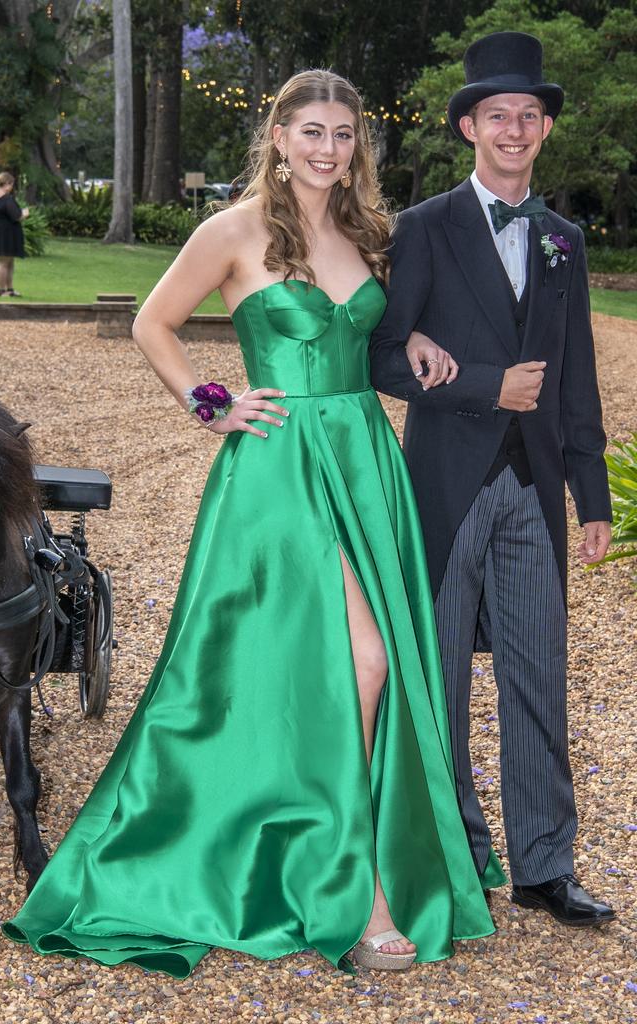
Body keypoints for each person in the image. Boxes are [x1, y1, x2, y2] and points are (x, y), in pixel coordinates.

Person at [3, 69, 497, 978]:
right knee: (361, 660)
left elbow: (375, 340)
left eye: (343, 134)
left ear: (358, 146)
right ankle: (361, 892)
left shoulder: (365, 231)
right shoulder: (229, 231)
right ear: (277, 136)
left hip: (362, 459)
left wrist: (414, 342)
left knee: (343, 666)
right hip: (276, 470)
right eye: (310, 131)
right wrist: (212, 402)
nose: (327, 149)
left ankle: (336, 856)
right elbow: (156, 322)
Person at [369, 32, 614, 927]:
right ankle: (457, 852)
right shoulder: (423, 227)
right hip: (443, 485)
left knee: (536, 675)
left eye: (530, 116)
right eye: (497, 114)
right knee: (438, 680)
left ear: (544, 130)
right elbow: (384, 358)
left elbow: (577, 373)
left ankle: (544, 866)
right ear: (470, 126)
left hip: (534, 491)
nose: (515, 129)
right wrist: (482, 385)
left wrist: (592, 497)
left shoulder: (563, 241)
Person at [0, 171, 28, 298]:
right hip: (6, 233)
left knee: (8, 262)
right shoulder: (6, 198)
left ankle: (9, 289)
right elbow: (16, 216)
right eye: (12, 184)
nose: (12, 188)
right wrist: (25, 213)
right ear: (8, 183)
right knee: (3, 262)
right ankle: (1, 290)